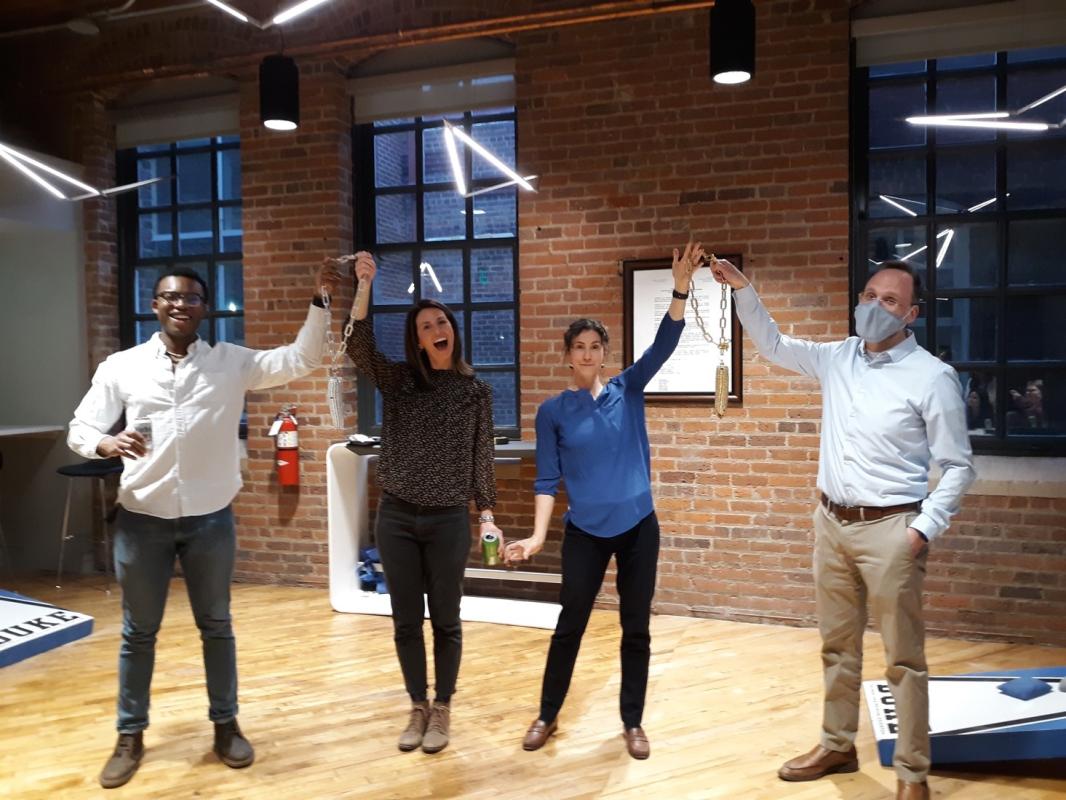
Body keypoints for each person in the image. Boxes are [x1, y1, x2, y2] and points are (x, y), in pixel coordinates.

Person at [710, 257, 975, 800]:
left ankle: (912, 774)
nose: (874, 307)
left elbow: (957, 466)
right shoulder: (838, 358)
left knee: (903, 658)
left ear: (913, 315)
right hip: (831, 521)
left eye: (890, 301)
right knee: (837, 646)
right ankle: (837, 743)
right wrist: (743, 289)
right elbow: (775, 345)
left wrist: (922, 529)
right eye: (869, 295)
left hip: (892, 529)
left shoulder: (932, 376)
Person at [68, 263, 338, 788]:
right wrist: (105, 443)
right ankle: (130, 735)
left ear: (204, 308)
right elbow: (81, 426)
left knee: (216, 627)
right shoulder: (122, 367)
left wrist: (322, 302)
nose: (180, 305)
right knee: (137, 633)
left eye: (191, 298)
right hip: (141, 520)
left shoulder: (229, 363)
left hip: (210, 519)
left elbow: (301, 358)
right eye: (170, 297)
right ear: (154, 304)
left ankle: (226, 725)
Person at [506, 241, 705, 761]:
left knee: (634, 627)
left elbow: (664, 345)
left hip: (639, 527)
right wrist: (537, 536)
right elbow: (547, 480)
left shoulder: (628, 388)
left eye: (596, 346)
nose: (588, 354)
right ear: (568, 356)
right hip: (586, 533)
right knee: (570, 623)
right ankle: (547, 714)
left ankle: (632, 722)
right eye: (580, 347)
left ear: (603, 353)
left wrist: (680, 288)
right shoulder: (553, 412)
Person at [344, 252, 501, 755]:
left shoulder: (476, 391)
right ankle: (417, 706)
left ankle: (444, 708)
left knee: (447, 619)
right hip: (397, 516)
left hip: (450, 519)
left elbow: (482, 456)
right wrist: (364, 285)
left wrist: (488, 514)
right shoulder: (401, 382)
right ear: (416, 340)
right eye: (424, 326)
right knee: (406, 620)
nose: (434, 329)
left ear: (452, 331)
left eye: (440, 322)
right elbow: (356, 346)